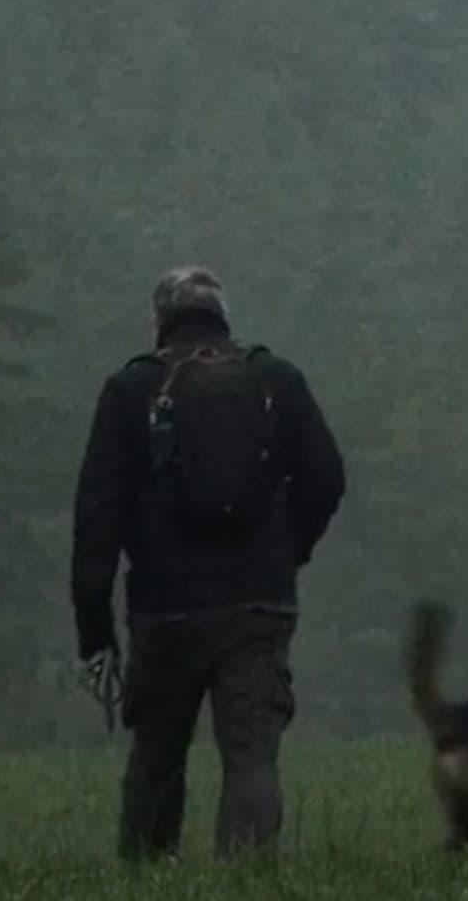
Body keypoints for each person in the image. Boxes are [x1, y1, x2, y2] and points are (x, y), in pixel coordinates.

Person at [69, 266, 347, 858]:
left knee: (157, 758)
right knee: (251, 756)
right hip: (258, 604)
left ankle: (148, 885)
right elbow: (327, 477)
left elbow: (97, 516)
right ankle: (243, 891)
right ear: (224, 316)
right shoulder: (276, 379)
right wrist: (288, 549)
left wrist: (94, 629)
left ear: (159, 321)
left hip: (164, 609)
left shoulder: (129, 391)